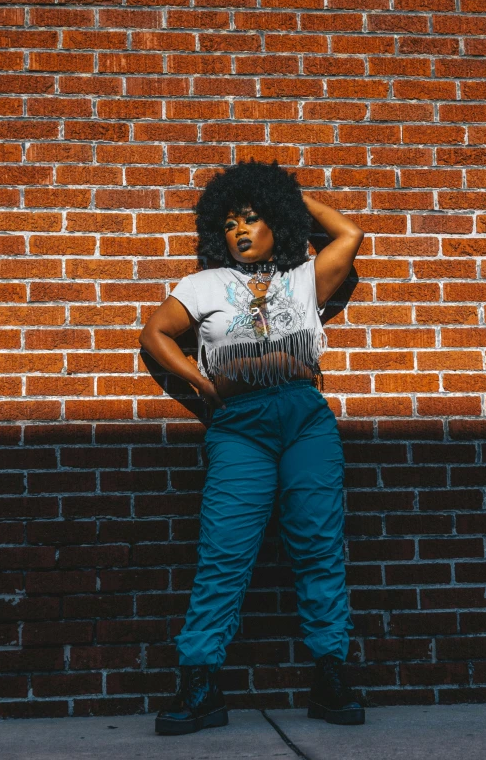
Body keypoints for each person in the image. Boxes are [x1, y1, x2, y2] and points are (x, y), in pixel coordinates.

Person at [139, 160, 366, 735]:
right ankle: (199, 681)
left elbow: (349, 234)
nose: (240, 230)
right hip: (239, 428)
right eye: (231, 222)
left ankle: (331, 673)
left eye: (253, 217)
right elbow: (155, 334)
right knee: (224, 551)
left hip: (305, 423)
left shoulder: (305, 278)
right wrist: (203, 385)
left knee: (317, 544)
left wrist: (290, 198)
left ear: (277, 224)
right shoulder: (202, 285)